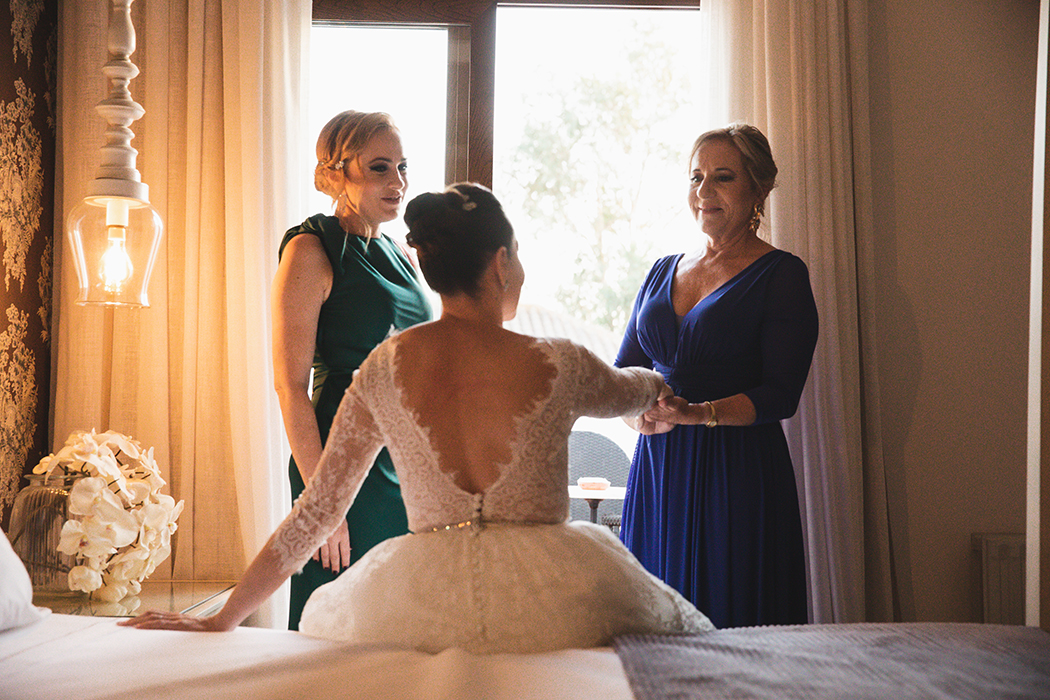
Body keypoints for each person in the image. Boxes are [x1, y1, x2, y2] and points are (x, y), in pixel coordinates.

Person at [121, 183, 714, 653]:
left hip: (422, 599)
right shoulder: (559, 363)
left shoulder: (386, 368)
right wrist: (666, 397)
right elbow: (637, 389)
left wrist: (225, 618)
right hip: (551, 595)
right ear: (502, 261)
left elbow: (317, 510)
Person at [615, 124, 819, 629]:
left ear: (758, 190)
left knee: (731, 617)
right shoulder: (661, 270)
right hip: (659, 470)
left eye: (723, 177)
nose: (704, 191)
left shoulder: (782, 274)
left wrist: (700, 414)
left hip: (737, 473)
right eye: (696, 177)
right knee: (655, 626)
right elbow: (624, 373)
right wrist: (639, 417)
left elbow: (781, 394)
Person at [271, 111, 432, 629]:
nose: (398, 181)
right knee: (336, 621)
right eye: (380, 167)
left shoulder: (400, 253)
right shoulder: (310, 249)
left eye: (402, 167)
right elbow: (289, 386)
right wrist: (324, 504)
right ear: (337, 172)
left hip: (403, 459)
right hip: (340, 456)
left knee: (400, 623)